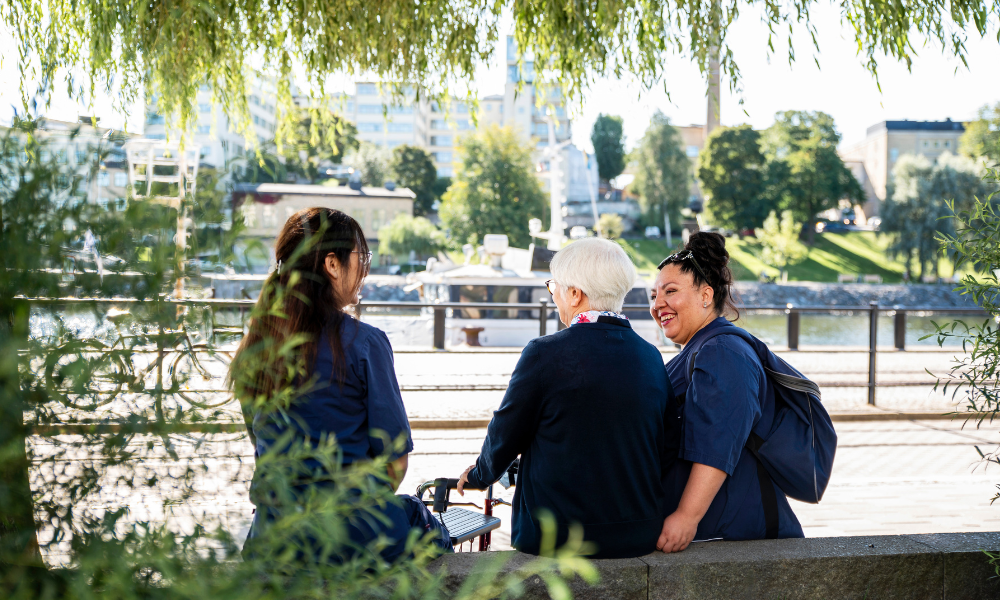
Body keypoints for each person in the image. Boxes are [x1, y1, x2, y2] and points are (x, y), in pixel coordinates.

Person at [230, 207, 451, 563]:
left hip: (275, 536)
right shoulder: (365, 343)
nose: (365, 268)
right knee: (425, 524)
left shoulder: (257, 347)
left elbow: (265, 448)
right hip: (352, 533)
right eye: (360, 257)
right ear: (332, 264)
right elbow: (395, 462)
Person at [456, 238, 672, 559]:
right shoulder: (651, 357)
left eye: (553, 286)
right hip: (636, 534)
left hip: (557, 537)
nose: (553, 295)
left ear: (574, 293)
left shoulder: (545, 353)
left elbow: (505, 434)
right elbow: (664, 445)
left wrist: (478, 476)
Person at [651, 232, 804, 553]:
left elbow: (718, 443)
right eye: (653, 295)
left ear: (706, 295)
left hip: (732, 537)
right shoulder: (702, 348)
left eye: (670, 291)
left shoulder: (722, 351)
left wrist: (686, 516)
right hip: (719, 532)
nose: (657, 304)